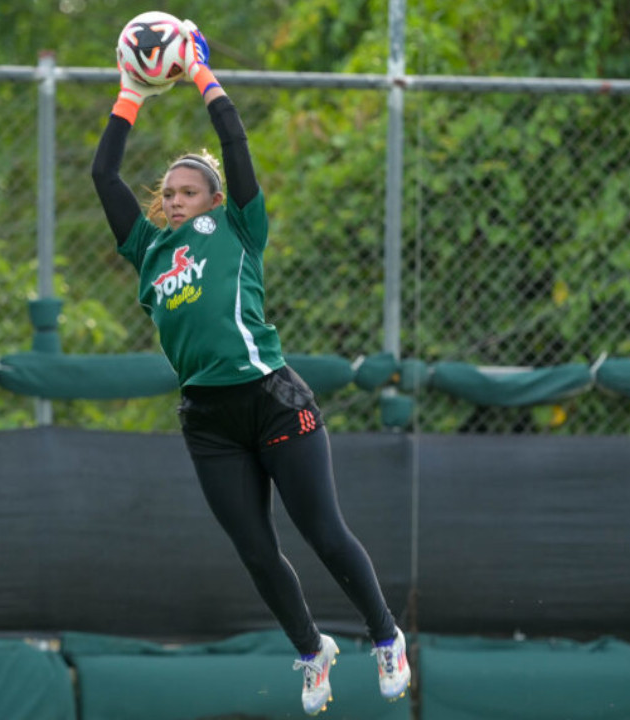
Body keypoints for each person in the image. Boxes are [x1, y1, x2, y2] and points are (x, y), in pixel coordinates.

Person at [90, 20, 411, 716]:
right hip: (208, 418)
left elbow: (233, 142)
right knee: (257, 553)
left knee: (323, 533)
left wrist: (200, 73)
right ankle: (310, 651)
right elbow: (102, 174)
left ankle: (386, 637)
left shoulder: (238, 227)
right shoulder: (147, 248)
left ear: (212, 201)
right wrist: (129, 92)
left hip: (271, 396)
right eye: (168, 192)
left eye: (187, 190)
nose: (173, 197)